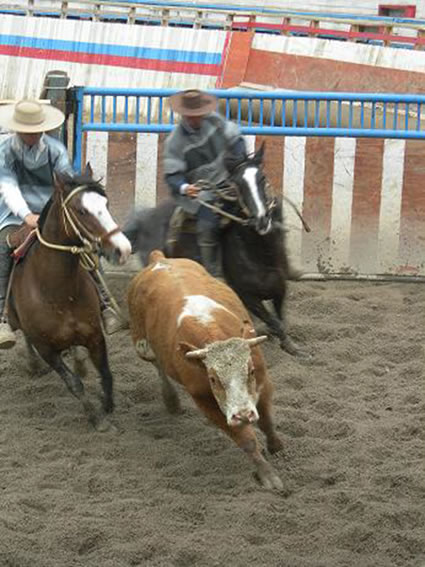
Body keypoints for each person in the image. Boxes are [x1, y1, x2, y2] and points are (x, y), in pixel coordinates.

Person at [0, 99, 124, 349]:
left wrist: (59, 210)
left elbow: (66, 183)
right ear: (18, 129)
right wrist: (26, 215)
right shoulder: (4, 151)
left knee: (84, 246)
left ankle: (104, 304)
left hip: (53, 212)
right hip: (14, 214)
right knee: (3, 249)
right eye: (28, 130)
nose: (33, 134)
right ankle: (2, 317)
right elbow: (8, 187)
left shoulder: (55, 149)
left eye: (37, 130)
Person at [163, 89, 247, 279]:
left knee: (263, 206)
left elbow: (237, 141)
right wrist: (185, 187)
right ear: (184, 115)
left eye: (199, 114)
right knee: (207, 224)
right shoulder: (175, 141)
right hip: (201, 191)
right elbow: (172, 175)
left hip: (230, 181)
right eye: (191, 116)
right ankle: (213, 273)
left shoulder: (217, 122)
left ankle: (279, 262)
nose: (196, 119)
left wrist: (238, 162)